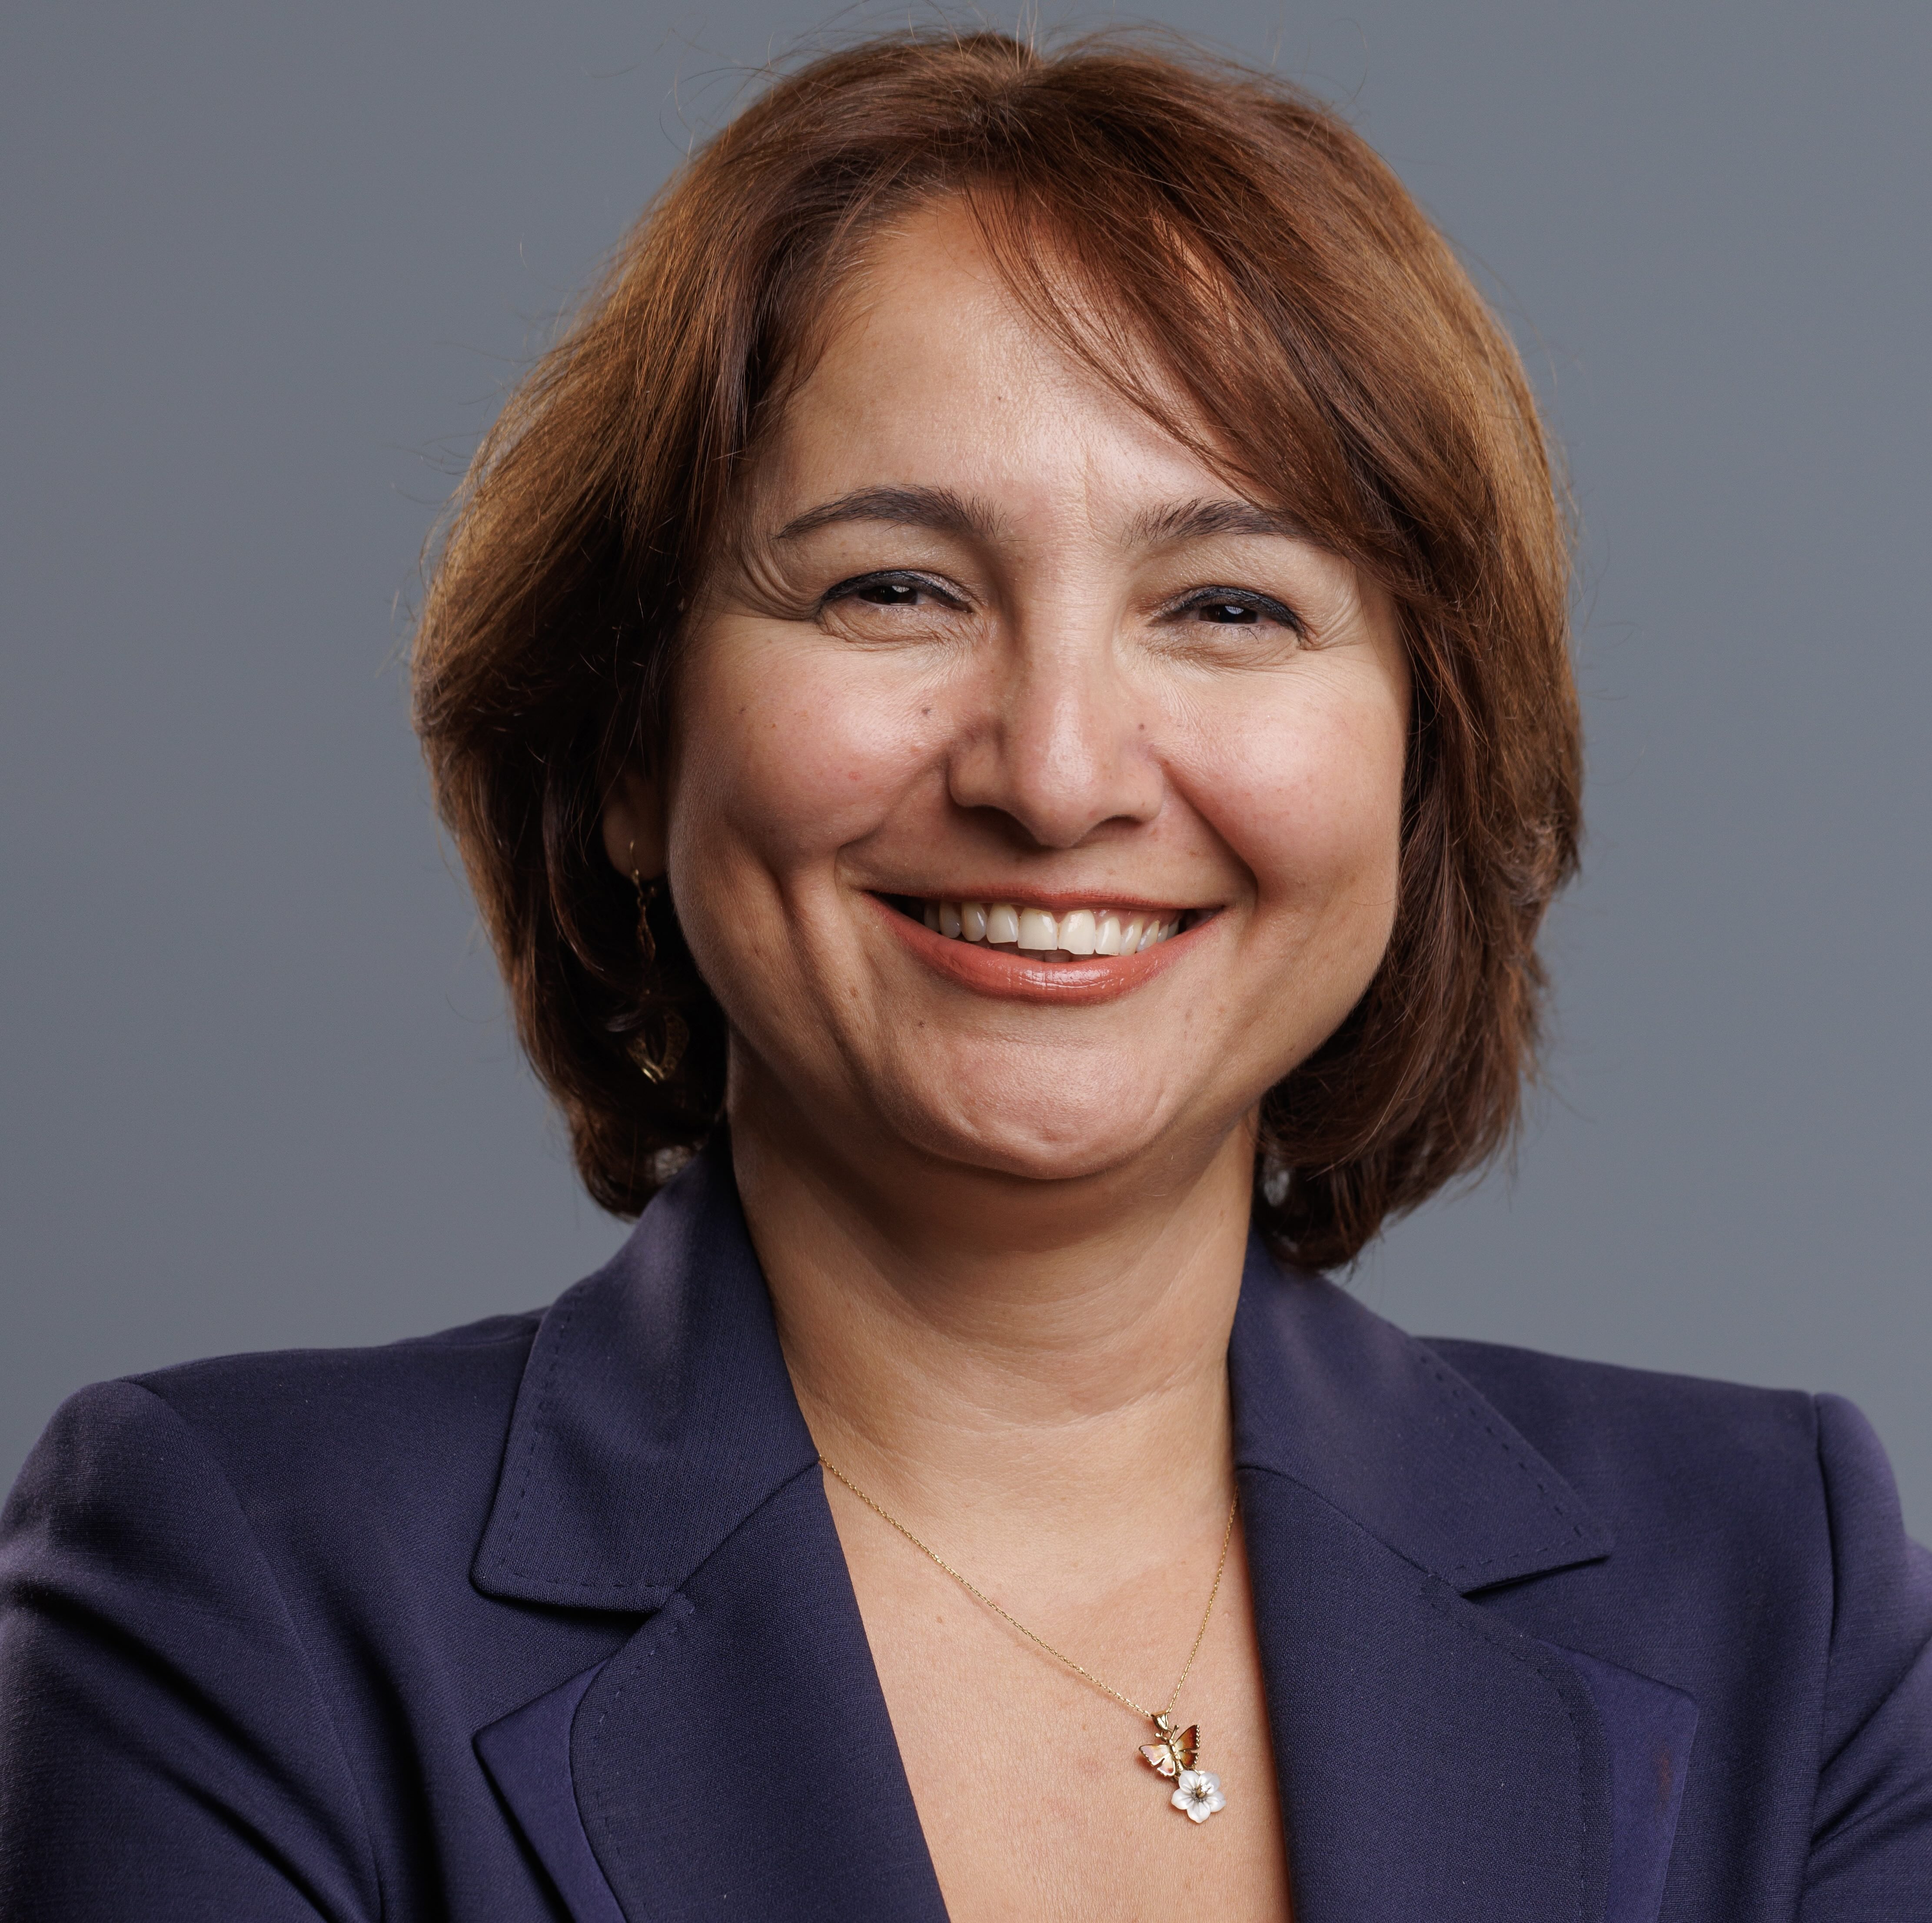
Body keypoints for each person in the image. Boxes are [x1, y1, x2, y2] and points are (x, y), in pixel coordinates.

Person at [2, 29, 1927, 1923]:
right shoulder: (240, 1582)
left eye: (1228, 605)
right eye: (893, 589)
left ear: (1422, 763)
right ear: (631, 741)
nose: (1056, 774)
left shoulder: (1781, 1589)